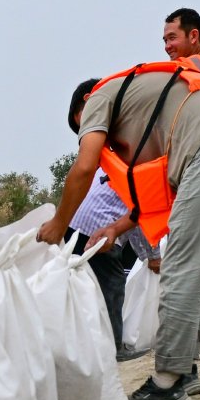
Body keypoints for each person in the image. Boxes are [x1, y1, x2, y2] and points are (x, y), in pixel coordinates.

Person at [37, 51, 200, 400]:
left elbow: (83, 167)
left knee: (180, 268)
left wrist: (59, 223)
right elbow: (150, 202)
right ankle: (186, 370)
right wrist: (115, 227)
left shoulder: (99, 97)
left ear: (85, 104)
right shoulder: (149, 110)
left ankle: (166, 383)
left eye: (84, 129)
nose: (98, 140)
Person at [61, 82, 157, 356]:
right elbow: (139, 211)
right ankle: (115, 348)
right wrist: (151, 255)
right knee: (111, 286)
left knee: (81, 288)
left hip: (76, 226)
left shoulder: (111, 151)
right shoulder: (129, 151)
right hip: (97, 232)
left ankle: (82, 345)